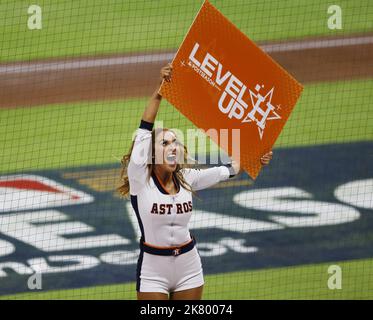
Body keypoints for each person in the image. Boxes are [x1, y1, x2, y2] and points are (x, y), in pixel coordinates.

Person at [117, 63, 273, 300]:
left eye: (175, 142)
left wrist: (256, 157)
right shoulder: (140, 179)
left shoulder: (188, 179)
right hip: (153, 269)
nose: (173, 147)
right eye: (165, 143)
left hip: (189, 266)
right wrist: (161, 90)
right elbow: (144, 127)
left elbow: (230, 169)